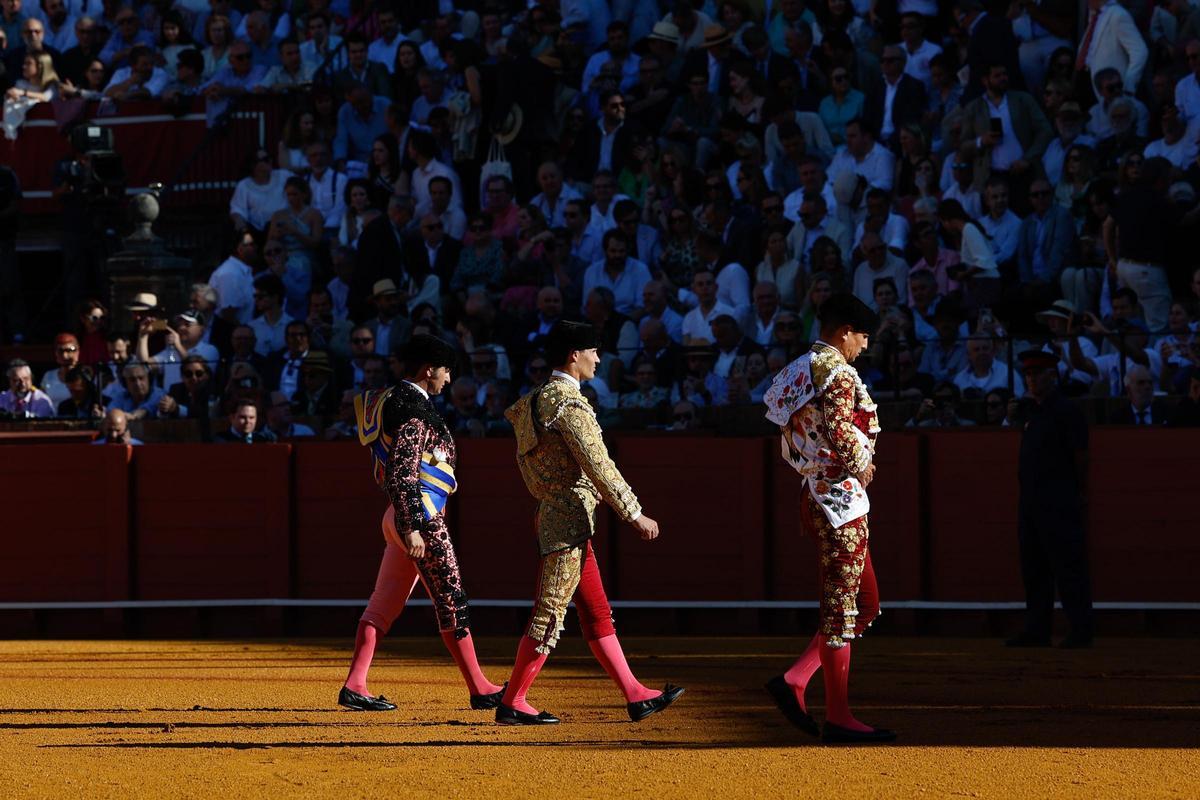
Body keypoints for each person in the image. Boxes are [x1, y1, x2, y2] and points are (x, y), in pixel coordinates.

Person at [496, 321, 684, 725]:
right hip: (566, 523)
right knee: (549, 612)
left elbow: (538, 464)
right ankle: (513, 700)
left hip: (561, 516)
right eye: (593, 351)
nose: (598, 359)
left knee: (596, 611)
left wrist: (564, 488)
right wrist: (633, 512)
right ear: (574, 355)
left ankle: (635, 694)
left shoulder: (534, 400)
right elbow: (598, 462)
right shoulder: (568, 402)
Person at [340, 334, 505, 712]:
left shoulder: (397, 401)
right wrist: (413, 525)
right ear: (429, 370)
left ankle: (355, 684)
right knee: (451, 599)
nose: (448, 378)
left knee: (383, 605)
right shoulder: (413, 408)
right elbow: (403, 470)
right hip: (421, 517)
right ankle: (480, 687)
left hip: (400, 516)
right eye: (446, 370)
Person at [762, 292, 894, 743]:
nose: (865, 345)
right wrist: (862, 464)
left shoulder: (797, 370)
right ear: (844, 333)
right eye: (862, 336)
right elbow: (839, 428)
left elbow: (788, 433)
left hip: (815, 491)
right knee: (841, 608)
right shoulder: (837, 372)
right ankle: (838, 716)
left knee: (865, 603)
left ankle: (796, 679)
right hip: (838, 497)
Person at [1008, 350, 1093, 648]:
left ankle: (1080, 630)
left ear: (1052, 376)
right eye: (1028, 375)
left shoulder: (1065, 411)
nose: (1031, 379)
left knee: (1067, 567)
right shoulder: (1032, 411)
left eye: (1037, 374)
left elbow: (1080, 456)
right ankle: (1038, 629)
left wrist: (1078, 491)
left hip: (1059, 500)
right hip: (1032, 502)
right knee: (1034, 568)